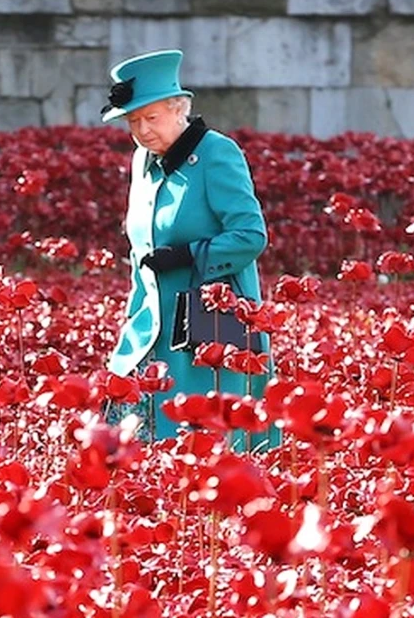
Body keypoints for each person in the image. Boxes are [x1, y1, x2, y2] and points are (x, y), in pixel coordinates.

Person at [101, 49, 280, 451]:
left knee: (208, 447)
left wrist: (190, 255)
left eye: (152, 118)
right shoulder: (141, 161)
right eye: (133, 121)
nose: (143, 130)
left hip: (212, 328)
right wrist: (132, 317)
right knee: (129, 442)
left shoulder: (217, 153)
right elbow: (140, 253)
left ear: (179, 110)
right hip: (152, 326)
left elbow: (251, 235)